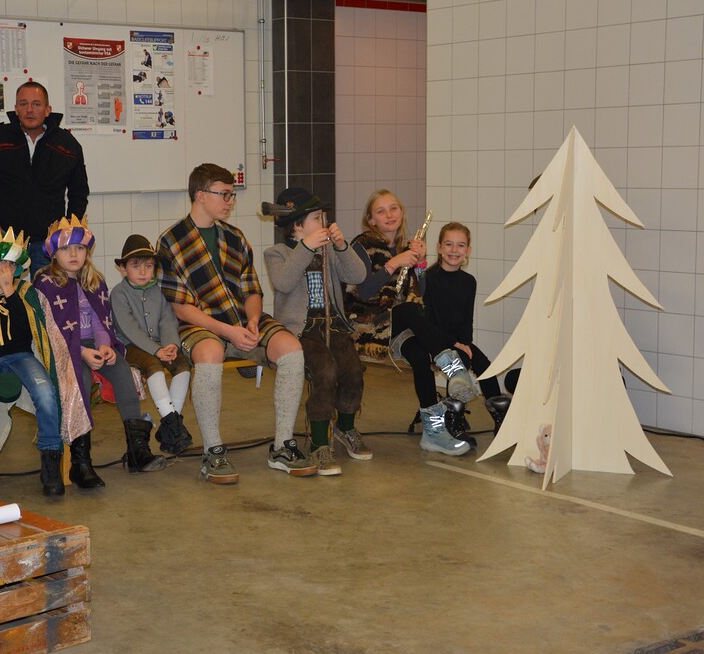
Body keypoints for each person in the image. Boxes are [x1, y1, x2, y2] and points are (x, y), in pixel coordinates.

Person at [157, 163, 315, 484]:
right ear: (200, 195)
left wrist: (253, 321)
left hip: (241, 320)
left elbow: (252, 290)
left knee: (291, 348)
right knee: (210, 352)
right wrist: (228, 332)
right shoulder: (171, 241)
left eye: (232, 195)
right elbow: (180, 308)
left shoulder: (235, 237)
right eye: (224, 194)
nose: (230, 201)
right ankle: (213, 452)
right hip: (197, 325)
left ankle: (282, 445)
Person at [36, 215, 166, 488]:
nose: (74, 254)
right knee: (80, 381)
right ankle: (81, 463)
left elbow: (100, 320)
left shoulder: (95, 280)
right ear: (54, 253)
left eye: (79, 248)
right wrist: (81, 353)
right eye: (66, 249)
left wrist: (105, 345)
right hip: (64, 350)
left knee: (123, 371)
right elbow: (50, 331)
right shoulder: (46, 283)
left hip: (94, 345)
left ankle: (137, 451)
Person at [344, 189, 477, 457]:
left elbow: (420, 291)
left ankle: (433, 433)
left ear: (402, 213)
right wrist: (394, 263)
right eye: (381, 211)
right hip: (367, 323)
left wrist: (420, 265)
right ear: (371, 219)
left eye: (394, 208)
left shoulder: (407, 246)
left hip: (397, 324)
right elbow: (361, 291)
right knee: (408, 309)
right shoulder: (361, 246)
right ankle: (453, 367)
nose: (389, 215)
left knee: (418, 355)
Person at [0, 226, 83, 497]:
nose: (7, 267)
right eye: (1, 261)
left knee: (46, 393)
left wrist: (9, 291)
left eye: (13, 263)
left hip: (21, 356)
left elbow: (27, 332)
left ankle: (50, 463)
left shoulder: (25, 293)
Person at [263, 187, 370, 476]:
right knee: (325, 370)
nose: (325, 222)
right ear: (297, 226)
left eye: (324, 216)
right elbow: (284, 283)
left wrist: (341, 246)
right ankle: (319, 443)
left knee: (353, 369)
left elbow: (358, 275)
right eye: (317, 217)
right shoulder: (277, 253)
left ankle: (345, 428)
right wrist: (306, 247)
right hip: (301, 330)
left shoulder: (329, 251)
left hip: (332, 323)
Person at [0, 81, 89, 273]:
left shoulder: (67, 144)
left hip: (49, 243)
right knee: (5, 291)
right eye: (23, 104)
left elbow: (79, 193)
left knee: (47, 293)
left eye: (36, 104)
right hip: (6, 240)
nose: (29, 110)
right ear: (16, 109)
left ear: (47, 110)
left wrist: (67, 232)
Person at [421, 221, 509, 445]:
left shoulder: (469, 282)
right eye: (448, 244)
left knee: (485, 366)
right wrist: (455, 345)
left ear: (468, 250)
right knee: (459, 364)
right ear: (439, 247)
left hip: (458, 341)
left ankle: (501, 420)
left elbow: (466, 319)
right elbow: (427, 322)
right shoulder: (428, 279)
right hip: (434, 341)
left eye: (460, 245)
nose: (454, 250)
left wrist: (466, 343)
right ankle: (454, 420)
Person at [110, 234, 194, 455]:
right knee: (154, 368)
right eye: (135, 266)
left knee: (183, 367)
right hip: (132, 347)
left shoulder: (158, 290)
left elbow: (167, 320)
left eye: (148, 266)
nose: (143, 272)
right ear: (123, 269)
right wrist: (157, 350)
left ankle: (171, 425)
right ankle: (172, 424)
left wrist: (171, 345)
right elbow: (129, 328)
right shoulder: (119, 293)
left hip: (161, 345)